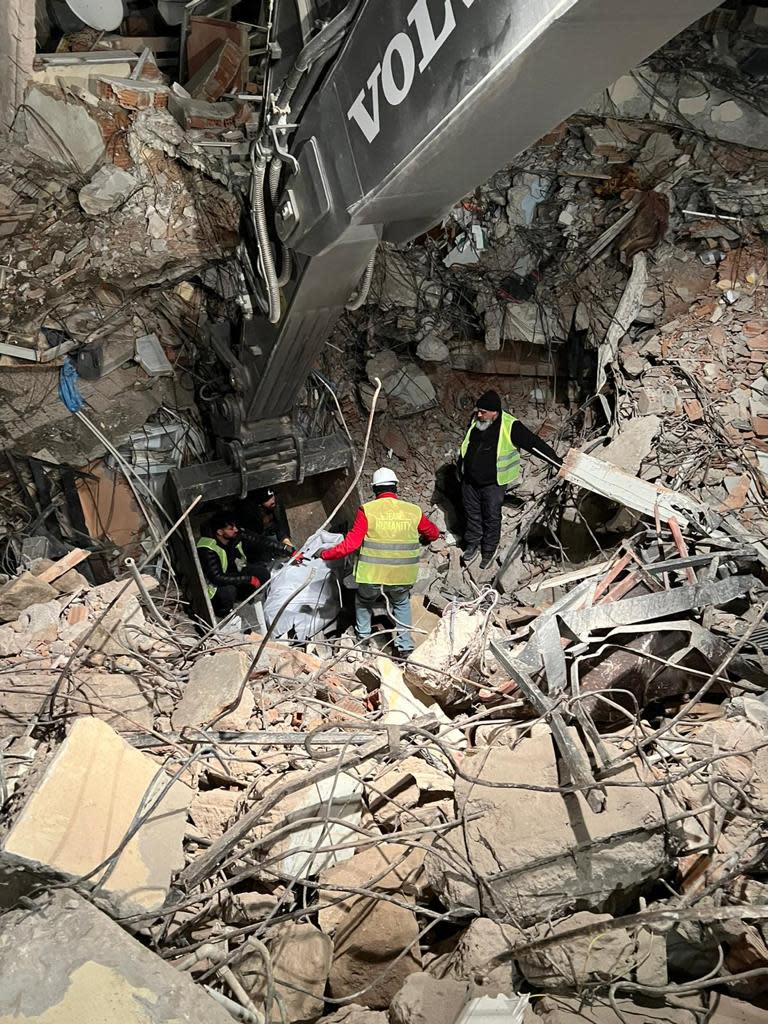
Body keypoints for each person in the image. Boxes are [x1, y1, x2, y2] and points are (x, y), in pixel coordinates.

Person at [319, 468, 439, 654]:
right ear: (396, 487)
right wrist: (424, 539)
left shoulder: (368, 511)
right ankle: (405, 648)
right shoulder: (412, 511)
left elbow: (351, 544)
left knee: (364, 602)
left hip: (372, 575)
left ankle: (363, 641)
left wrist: (325, 554)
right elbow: (433, 533)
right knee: (401, 604)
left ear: (375, 489)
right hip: (401, 576)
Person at [458, 389, 561, 569]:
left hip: (493, 483)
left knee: (491, 516)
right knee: (472, 514)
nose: (478, 414)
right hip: (470, 482)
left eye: (483, 412)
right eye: (478, 410)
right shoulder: (477, 420)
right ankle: (473, 543)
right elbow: (468, 445)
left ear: (495, 412)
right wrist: (460, 469)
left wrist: (556, 461)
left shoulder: (510, 426)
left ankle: (488, 550)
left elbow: (534, 444)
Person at [196, 513, 272, 617]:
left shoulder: (234, 537)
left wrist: (286, 550)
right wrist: (248, 579)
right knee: (228, 591)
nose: (235, 530)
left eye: (235, 526)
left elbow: (259, 540)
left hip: (234, 575)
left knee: (262, 573)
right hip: (215, 587)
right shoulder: (208, 549)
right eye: (231, 528)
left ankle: (244, 600)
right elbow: (217, 577)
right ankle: (223, 614)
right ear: (220, 532)